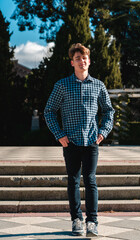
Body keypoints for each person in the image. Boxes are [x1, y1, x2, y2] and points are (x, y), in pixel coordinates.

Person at [44, 43, 115, 237]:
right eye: (77, 59)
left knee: (90, 180)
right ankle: (76, 220)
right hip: (71, 141)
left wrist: (103, 131)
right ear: (72, 63)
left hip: (92, 140)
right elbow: (49, 111)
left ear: (89, 61)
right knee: (73, 181)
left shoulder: (98, 85)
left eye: (84, 58)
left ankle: (92, 221)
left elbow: (109, 111)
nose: (81, 61)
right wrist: (59, 135)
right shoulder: (62, 85)